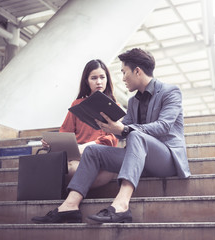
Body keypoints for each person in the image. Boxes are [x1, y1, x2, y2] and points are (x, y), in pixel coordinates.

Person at [31, 48, 191, 224]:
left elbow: (163, 126)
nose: (122, 78)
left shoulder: (170, 92)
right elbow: (122, 132)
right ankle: (69, 207)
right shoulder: (133, 101)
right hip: (139, 160)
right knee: (93, 151)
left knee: (136, 135)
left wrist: (122, 129)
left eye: (124, 72)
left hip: (166, 159)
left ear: (137, 71)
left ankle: (121, 206)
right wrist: (109, 126)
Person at [42, 59, 118, 185]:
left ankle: (74, 191)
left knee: (77, 170)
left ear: (107, 79)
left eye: (102, 77)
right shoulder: (77, 105)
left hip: (100, 157)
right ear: (87, 81)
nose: (99, 82)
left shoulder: (115, 107)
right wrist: (51, 143)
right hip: (77, 158)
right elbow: (65, 133)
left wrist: (86, 147)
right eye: (93, 78)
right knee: (71, 169)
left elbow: (111, 139)